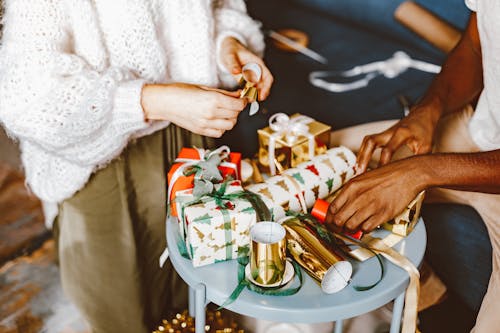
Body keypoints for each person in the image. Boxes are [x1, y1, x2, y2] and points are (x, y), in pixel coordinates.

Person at [0, 1, 272, 332]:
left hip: (192, 133)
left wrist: (227, 44)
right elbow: (26, 97)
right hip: (103, 154)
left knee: (203, 282)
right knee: (123, 306)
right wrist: (148, 100)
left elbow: (215, 9)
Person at [326, 0, 499, 331]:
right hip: (477, 131)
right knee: (313, 165)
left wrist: (420, 171)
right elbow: (476, 46)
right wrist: (429, 110)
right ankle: (431, 299)